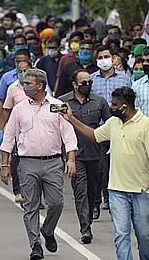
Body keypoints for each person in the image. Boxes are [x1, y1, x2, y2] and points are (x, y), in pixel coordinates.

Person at [60, 87, 149, 260]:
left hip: (142, 191)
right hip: (117, 190)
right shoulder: (113, 123)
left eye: (114, 105)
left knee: (144, 236)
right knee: (121, 235)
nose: (111, 107)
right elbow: (94, 135)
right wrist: (71, 118)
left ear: (124, 107)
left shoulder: (145, 125)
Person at [0, 69, 77, 260]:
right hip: (27, 163)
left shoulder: (58, 106)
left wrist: (72, 159)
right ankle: (35, 246)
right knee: (30, 207)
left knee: (57, 203)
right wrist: (4, 165)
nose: (24, 86)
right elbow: (9, 137)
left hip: (52, 162)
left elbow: (68, 134)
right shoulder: (19, 109)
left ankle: (48, 230)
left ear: (40, 86)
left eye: (28, 83)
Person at [59, 69, 111, 243]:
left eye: (90, 82)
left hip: (96, 153)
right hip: (74, 154)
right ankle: (85, 228)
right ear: (74, 84)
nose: (87, 85)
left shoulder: (99, 101)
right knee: (80, 191)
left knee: (93, 191)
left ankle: (90, 213)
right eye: (83, 83)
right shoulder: (63, 102)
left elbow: (110, 125)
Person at [91, 45, 132, 213]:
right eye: (100, 58)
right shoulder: (92, 79)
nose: (103, 60)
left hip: (121, 129)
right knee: (100, 168)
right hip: (100, 129)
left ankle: (112, 198)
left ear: (113, 57)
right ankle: (97, 201)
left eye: (106, 57)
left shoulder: (124, 78)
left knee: (117, 165)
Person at [1, 60, 31, 204]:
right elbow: (6, 109)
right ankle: (18, 190)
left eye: (26, 70)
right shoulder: (13, 88)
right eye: (20, 71)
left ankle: (33, 194)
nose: (23, 74)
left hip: (35, 130)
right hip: (18, 131)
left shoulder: (39, 87)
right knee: (17, 160)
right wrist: (2, 128)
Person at [133, 47, 149, 116]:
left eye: (148, 61)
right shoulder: (136, 85)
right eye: (143, 61)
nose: (145, 64)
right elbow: (134, 111)